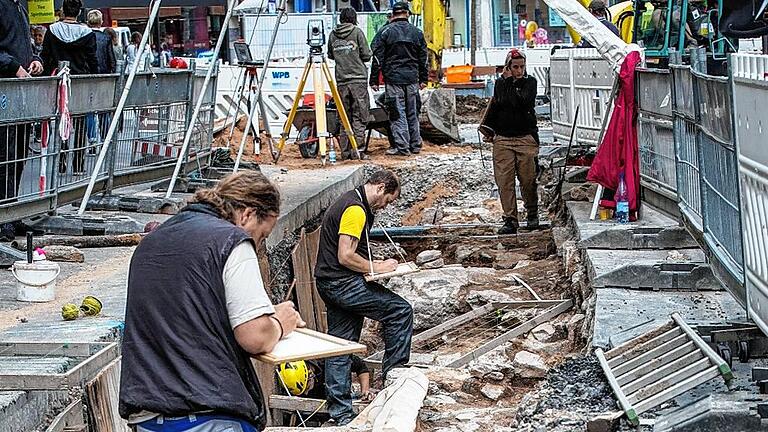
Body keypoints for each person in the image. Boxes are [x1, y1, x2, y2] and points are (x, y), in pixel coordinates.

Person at [119, 170, 305, 432]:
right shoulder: (231, 241)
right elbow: (254, 337)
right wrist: (279, 323)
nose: (258, 244)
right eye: (261, 235)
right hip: (208, 415)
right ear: (247, 214)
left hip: (148, 416)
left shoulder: (150, 244)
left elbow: (190, 317)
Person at [314, 169, 413, 426]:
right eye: (387, 200)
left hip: (329, 282)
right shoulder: (356, 209)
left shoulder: (350, 201)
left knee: (341, 345)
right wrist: (377, 267)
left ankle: (341, 414)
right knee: (400, 311)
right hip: (342, 283)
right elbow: (345, 255)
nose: (384, 206)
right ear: (380, 188)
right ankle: (395, 379)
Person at [480, 49, 539, 235]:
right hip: (503, 139)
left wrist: (510, 85)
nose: (519, 71)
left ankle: (532, 213)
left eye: (521, 67)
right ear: (508, 67)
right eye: (515, 67)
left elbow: (521, 102)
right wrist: (506, 83)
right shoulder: (500, 84)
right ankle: (510, 219)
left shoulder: (531, 83)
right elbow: (502, 101)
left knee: (528, 179)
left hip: (525, 137)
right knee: (504, 181)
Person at [0, 0, 43, 240]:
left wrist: (34, 59)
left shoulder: (19, 6)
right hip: (5, 93)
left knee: (16, 158)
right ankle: (4, 217)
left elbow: (22, 44)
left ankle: (12, 213)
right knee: (5, 159)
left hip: (18, 95)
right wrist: (14, 65)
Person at [370, 1, 428, 156]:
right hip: (412, 80)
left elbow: (376, 58)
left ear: (393, 14)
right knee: (413, 113)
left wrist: (374, 80)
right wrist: (424, 78)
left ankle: (402, 147)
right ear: (407, 13)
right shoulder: (417, 33)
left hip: (393, 79)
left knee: (397, 114)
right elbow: (423, 58)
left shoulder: (385, 32)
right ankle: (415, 145)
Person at [328, 7, 373, 160]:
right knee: (359, 115)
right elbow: (366, 55)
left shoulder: (332, 35)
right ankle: (357, 151)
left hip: (341, 80)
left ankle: (345, 152)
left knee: (344, 117)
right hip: (358, 80)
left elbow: (330, 55)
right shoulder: (357, 32)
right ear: (354, 18)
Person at [41, 0, 98, 75]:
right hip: (81, 78)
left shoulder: (52, 29)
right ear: (79, 12)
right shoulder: (87, 33)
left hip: (56, 77)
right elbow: (92, 59)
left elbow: (45, 56)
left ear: (63, 11)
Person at [278, 356, 373, 401]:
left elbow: (361, 366)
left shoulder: (331, 361)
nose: (306, 393)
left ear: (310, 373)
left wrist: (365, 391)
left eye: (307, 387)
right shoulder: (293, 380)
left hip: (342, 396)